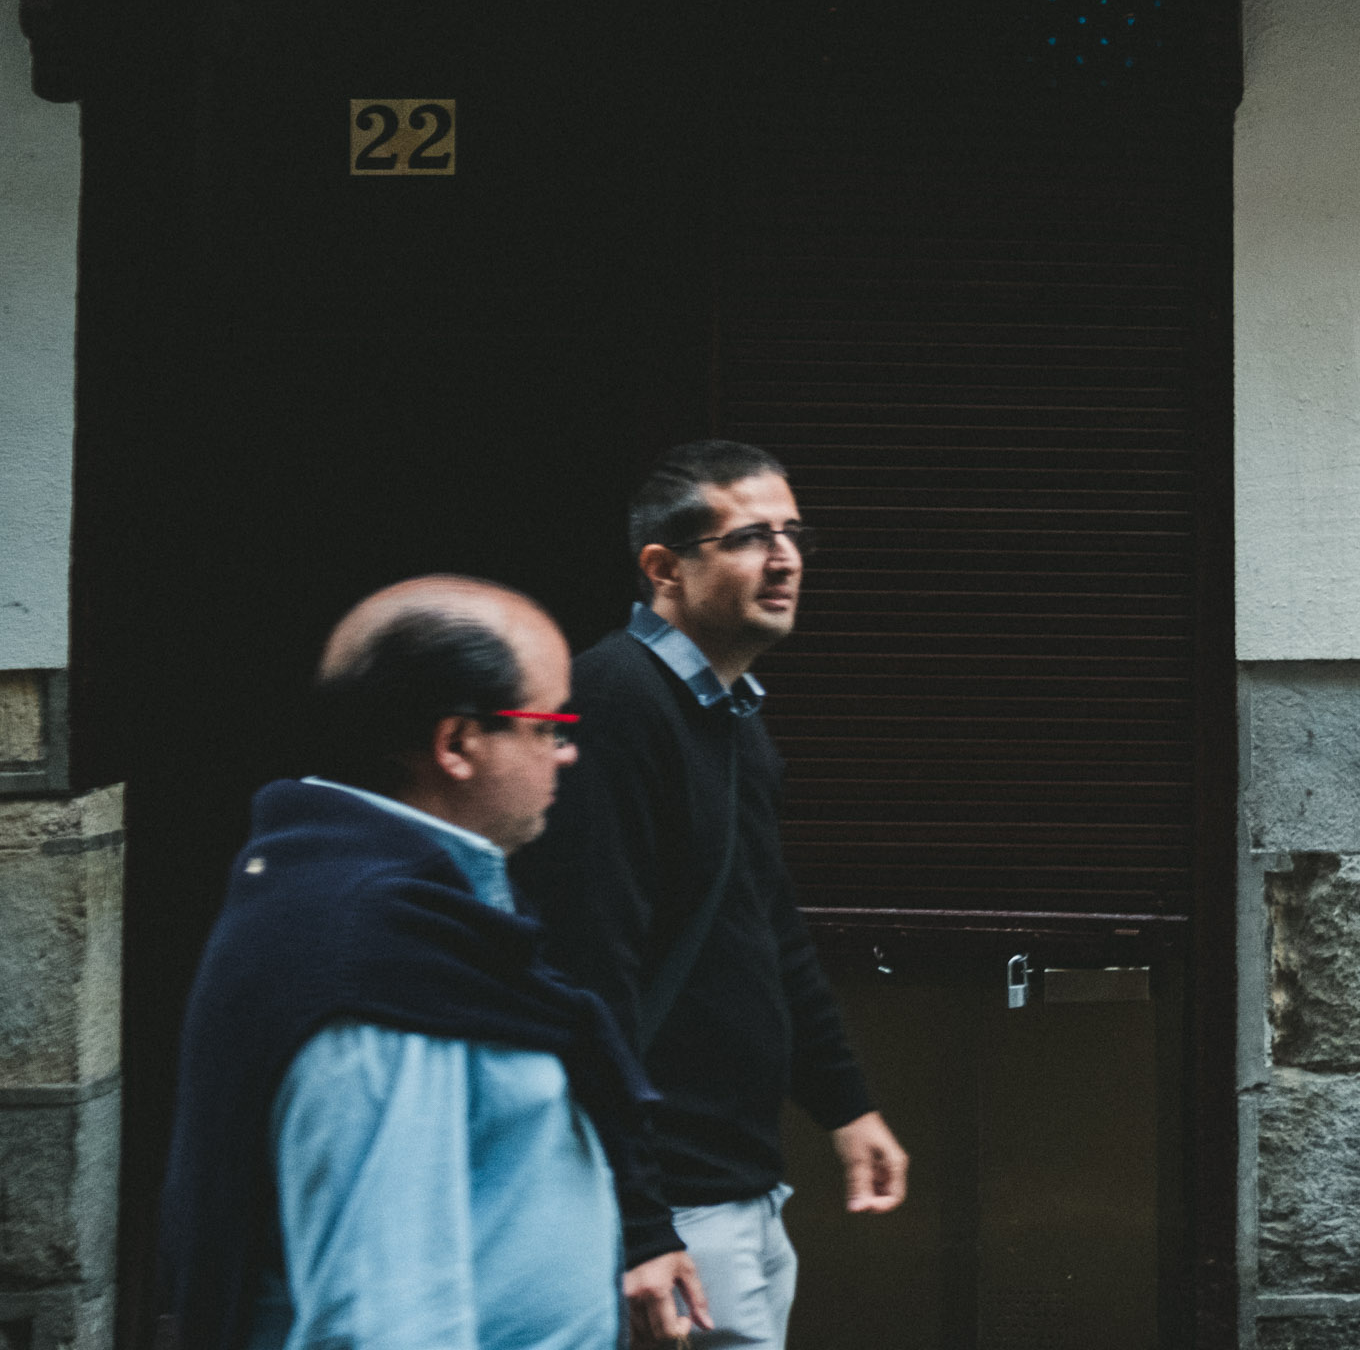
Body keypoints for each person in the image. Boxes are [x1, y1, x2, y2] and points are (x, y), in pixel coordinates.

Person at [159, 576, 650, 1350]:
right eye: (550, 724)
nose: (568, 750)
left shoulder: (363, 902)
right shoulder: (378, 965)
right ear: (457, 744)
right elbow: (383, 1321)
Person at [513, 439, 908, 1350]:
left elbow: (771, 932)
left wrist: (846, 1106)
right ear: (664, 569)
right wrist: (642, 1226)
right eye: (751, 538)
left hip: (738, 1185)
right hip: (672, 1205)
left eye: (794, 534)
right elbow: (588, 971)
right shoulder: (616, 702)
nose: (786, 558)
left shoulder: (732, 718)